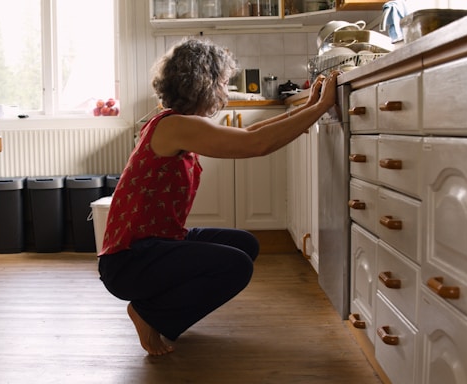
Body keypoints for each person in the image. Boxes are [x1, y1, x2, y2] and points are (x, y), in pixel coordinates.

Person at [98, 37, 340, 356]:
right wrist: (321, 107)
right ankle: (149, 315)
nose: (226, 91)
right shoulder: (176, 126)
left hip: (151, 246)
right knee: (236, 265)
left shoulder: (172, 123)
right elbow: (255, 145)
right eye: (224, 83)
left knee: (245, 245)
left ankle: (155, 310)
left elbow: (251, 135)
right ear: (205, 84)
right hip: (130, 261)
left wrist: (310, 107)